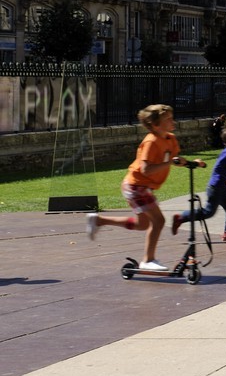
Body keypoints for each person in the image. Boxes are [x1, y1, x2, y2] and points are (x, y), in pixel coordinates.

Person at [84, 104, 205, 272]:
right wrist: (170, 163)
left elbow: (173, 159)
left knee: (143, 224)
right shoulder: (151, 141)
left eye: (172, 117)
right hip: (136, 186)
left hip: (143, 187)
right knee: (159, 221)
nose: (173, 121)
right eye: (168, 119)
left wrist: (191, 163)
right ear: (155, 125)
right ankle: (148, 260)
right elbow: (146, 169)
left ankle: (99, 221)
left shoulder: (170, 139)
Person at [173, 124, 226, 242]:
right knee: (208, 212)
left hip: (223, 188)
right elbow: (219, 168)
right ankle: (181, 218)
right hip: (216, 188)